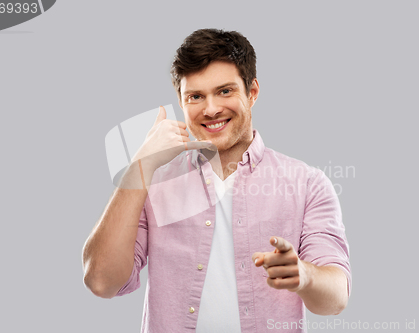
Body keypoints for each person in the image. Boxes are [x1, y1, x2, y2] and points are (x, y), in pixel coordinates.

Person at [82, 28, 351, 333]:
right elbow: (101, 282)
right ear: (181, 102)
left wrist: (305, 275)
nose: (210, 109)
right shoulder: (154, 181)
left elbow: (336, 298)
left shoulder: (307, 183)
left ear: (252, 92)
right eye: (195, 96)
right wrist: (138, 167)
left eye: (225, 91)